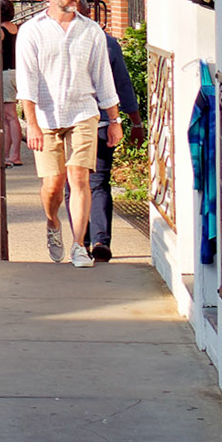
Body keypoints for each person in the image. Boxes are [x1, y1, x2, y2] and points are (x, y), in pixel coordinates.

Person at [16, 0, 121, 268]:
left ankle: (79, 245)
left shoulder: (91, 31)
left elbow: (104, 78)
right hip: (46, 117)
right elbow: (27, 82)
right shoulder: (32, 31)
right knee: (53, 184)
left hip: (83, 113)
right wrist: (32, 124)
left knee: (79, 177)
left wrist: (114, 120)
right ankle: (52, 222)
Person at [85, 15, 143, 263]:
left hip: (71, 124)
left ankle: (83, 240)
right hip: (101, 121)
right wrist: (134, 121)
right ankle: (100, 240)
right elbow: (123, 84)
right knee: (97, 182)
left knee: (74, 184)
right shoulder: (107, 43)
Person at [0, 1, 25, 168]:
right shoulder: (18, 29)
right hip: (18, 71)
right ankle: (7, 153)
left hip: (6, 73)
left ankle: (15, 154)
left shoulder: (0, 31)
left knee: (9, 115)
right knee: (8, 117)